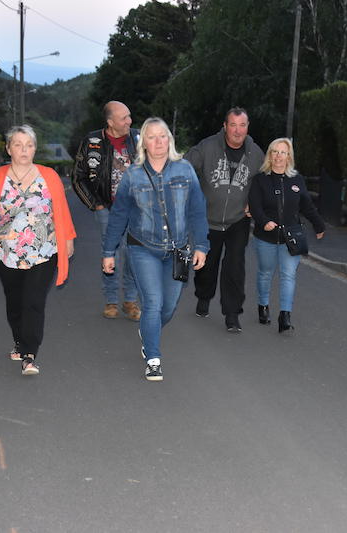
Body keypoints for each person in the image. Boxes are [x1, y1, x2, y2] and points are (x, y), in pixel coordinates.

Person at [102, 118, 209, 382]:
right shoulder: (133, 175)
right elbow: (119, 215)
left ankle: (149, 331)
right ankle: (153, 358)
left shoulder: (185, 170)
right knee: (153, 302)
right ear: (144, 144)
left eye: (163, 136)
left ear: (169, 140)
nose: (158, 141)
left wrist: (201, 245)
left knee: (168, 307)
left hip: (177, 250)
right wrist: (108, 251)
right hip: (143, 248)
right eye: (152, 137)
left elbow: (197, 210)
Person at [0, 125, 76, 375]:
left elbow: (61, 209)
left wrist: (67, 239)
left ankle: (29, 354)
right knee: (15, 301)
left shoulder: (49, 176)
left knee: (34, 300)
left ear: (35, 148)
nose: (24, 150)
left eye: (29, 145)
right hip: (6, 252)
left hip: (44, 249)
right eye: (18, 145)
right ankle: (19, 341)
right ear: (8, 148)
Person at [184, 107, 264, 332]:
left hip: (238, 220)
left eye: (242, 125)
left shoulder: (256, 154)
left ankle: (232, 314)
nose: (238, 131)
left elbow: (265, 182)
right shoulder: (208, 146)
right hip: (208, 219)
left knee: (234, 266)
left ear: (247, 127)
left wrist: (255, 203)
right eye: (233, 125)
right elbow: (185, 166)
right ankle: (203, 296)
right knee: (207, 265)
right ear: (225, 126)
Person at [248, 138, 325, 334]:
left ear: (289, 157)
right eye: (275, 152)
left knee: (288, 275)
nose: (279, 156)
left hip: (291, 238)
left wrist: (318, 224)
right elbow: (255, 206)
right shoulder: (260, 179)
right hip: (266, 237)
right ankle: (263, 306)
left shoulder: (297, 180)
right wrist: (264, 221)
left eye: (283, 152)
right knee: (265, 273)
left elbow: (307, 205)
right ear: (269, 155)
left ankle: (285, 315)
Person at [72, 101, 141, 321]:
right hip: (107, 209)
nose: (129, 121)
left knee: (133, 254)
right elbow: (78, 177)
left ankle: (130, 300)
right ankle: (111, 301)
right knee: (110, 253)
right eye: (124, 118)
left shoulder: (139, 138)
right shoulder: (92, 141)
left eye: (129, 116)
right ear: (110, 122)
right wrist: (96, 204)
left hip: (136, 210)